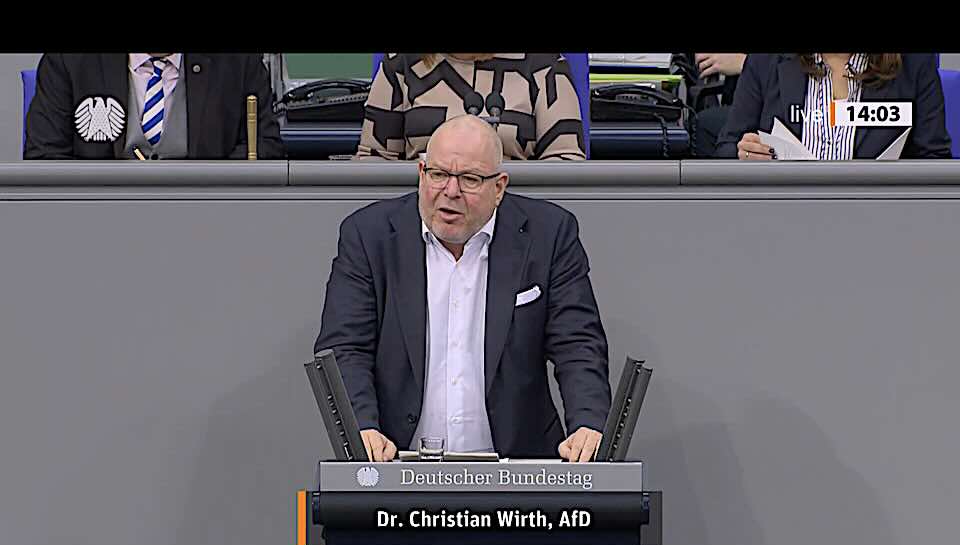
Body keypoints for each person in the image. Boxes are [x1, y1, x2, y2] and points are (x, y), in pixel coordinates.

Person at [317, 115, 609, 461]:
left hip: (517, 466)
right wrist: (362, 427)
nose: (450, 191)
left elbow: (577, 343)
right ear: (421, 173)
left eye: (469, 179)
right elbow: (345, 347)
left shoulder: (549, 235)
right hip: (397, 462)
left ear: (499, 187)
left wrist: (587, 423)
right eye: (438, 175)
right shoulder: (369, 236)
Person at [25, 53, 285, 160]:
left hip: (206, 221)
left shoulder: (238, 62)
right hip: (99, 223)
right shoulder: (70, 60)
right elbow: (45, 155)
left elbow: (265, 146)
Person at [715, 53, 952, 159]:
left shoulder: (915, 64)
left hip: (879, 221)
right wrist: (746, 154)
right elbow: (726, 148)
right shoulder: (765, 61)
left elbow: (934, 159)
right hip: (783, 219)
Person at [355, 53, 586, 161]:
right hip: (420, 219)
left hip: (516, 222)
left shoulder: (544, 65)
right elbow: (374, 162)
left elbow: (566, 162)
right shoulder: (401, 63)